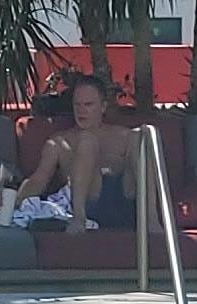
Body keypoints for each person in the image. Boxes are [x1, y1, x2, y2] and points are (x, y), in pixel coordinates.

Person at [20, 75, 140, 232]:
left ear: (103, 107)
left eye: (88, 104)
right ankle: (79, 218)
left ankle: (152, 219)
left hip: (125, 201)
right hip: (89, 205)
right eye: (77, 105)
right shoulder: (60, 141)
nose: (81, 110)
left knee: (139, 136)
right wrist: (14, 201)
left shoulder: (122, 135)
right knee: (87, 141)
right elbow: (39, 179)